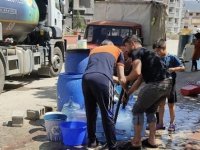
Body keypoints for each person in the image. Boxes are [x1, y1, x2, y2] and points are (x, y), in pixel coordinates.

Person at [123, 35, 172, 149]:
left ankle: (136, 142)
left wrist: (125, 78)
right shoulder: (148, 54)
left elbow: (136, 72)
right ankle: (151, 141)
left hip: (156, 84)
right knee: (150, 111)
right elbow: (140, 80)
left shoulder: (136, 52)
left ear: (132, 44)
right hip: (167, 84)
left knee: (137, 110)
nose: (126, 50)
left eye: (126, 46)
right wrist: (128, 93)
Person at [82, 40, 126, 150]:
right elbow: (121, 78)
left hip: (86, 79)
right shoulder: (117, 50)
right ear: (111, 45)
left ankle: (92, 142)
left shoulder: (94, 50)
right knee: (107, 113)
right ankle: (112, 146)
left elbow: (95, 68)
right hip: (103, 80)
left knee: (90, 112)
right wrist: (126, 90)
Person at [153, 39, 185, 132]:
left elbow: (183, 67)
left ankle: (172, 123)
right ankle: (160, 124)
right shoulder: (157, 58)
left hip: (171, 85)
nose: (157, 53)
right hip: (160, 85)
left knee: (171, 104)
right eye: (156, 51)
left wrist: (173, 69)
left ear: (163, 48)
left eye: (158, 51)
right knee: (161, 105)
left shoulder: (172, 57)